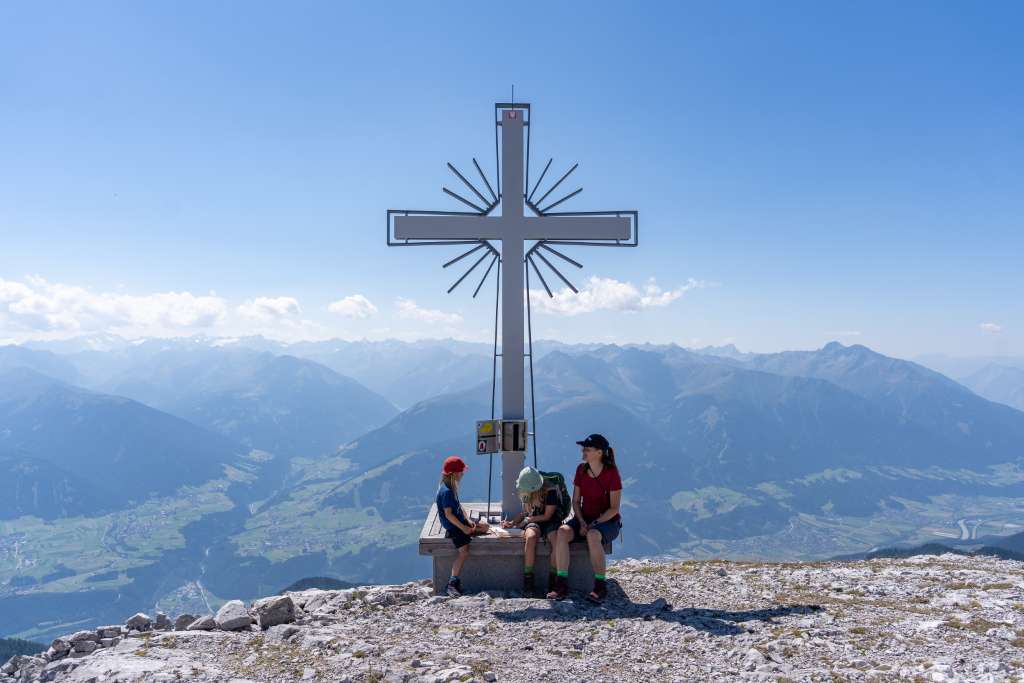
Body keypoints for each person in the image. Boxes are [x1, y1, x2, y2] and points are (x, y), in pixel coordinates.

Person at [546, 434, 622, 603]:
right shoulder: (581, 470)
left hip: (608, 522)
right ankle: (561, 585)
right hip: (584, 519)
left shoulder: (611, 473)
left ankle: (599, 586)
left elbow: (614, 508)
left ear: (599, 453)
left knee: (593, 535)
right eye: (583, 448)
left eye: (587, 449)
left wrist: (593, 524)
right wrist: (581, 522)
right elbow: (575, 501)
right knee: (562, 532)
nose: (583, 451)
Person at [501, 466, 563, 597]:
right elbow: (525, 511)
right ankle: (528, 580)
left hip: (551, 520)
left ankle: (553, 580)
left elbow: (547, 516)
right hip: (534, 520)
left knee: (556, 541)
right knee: (530, 538)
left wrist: (526, 521)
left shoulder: (550, 490)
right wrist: (513, 523)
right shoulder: (527, 489)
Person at [436, 455, 489, 596]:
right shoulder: (447, 492)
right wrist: (464, 527)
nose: (462, 474)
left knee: (485, 527)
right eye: (460, 472)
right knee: (463, 552)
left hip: (460, 523)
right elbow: (448, 514)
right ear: (453, 474)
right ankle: (452, 583)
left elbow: (459, 507)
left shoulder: (450, 487)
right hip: (454, 527)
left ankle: (453, 583)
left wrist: (468, 520)